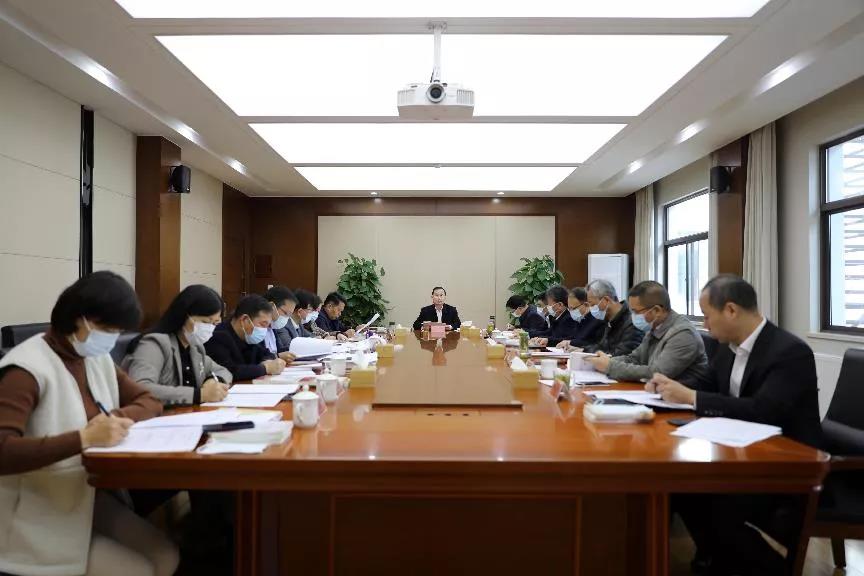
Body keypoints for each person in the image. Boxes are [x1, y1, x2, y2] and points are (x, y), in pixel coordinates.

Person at [0, 271, 178, 576]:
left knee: (166, 556)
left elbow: (149, 400)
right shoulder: (25, 370)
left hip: (85, 496)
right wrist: (84, 438)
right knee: (138, 570)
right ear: (79, 319)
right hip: (34, 511)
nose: (112, 338)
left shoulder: (93, 357)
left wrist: (111, 421)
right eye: (108, 329)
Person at [648, 275, 822, 576]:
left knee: (710, 500)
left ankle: (765, 568)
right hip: (741, 453)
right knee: (677, 487)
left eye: (707, 316)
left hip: (785, 465)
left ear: (731, 310)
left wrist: (692, 397)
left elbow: (764, 410)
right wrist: (669, 386)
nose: (705, 324)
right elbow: (706, 385)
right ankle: (715, 557)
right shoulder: (726, 348)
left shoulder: (789, 352)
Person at [122, 284, 233, 406]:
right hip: (158, 415)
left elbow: (223, 371)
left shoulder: (195, 348)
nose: (209, 328)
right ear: (184, 316)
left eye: (214, 323)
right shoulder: (154, 344)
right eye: (205, 322)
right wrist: (200, 395)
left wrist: (212, 381)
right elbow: (141, 388)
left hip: (188, 414)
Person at [585, 281, 709, 386]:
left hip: (683, 401)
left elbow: (657, 373)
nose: (633, 316)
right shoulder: (655, 327)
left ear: (657, 310)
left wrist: (610, 366)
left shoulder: (683, 334)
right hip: (657, 393)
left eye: (636, 311)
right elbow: (635, 358)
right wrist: (604, 361)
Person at [205, 295, 286, 381]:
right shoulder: (218, 336)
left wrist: (268, 361)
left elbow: (266, 354)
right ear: (245, 320)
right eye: (263, 324)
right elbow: (229, 371)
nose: (264, 330)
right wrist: (265, 368)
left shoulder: (250, 337)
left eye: (267, 326)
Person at [581, 279, 645, 356]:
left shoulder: (632, 322)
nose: (591, 309)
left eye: (592, 305)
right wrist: (583, 350)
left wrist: (591, 352)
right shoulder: (609, 320)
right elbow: (602, 347)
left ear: (606, 300)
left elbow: (620, 355)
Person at [262, 286, 299, 362]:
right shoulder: (256, 328)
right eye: (285, 313)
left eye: (289, 315)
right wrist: (277, 356)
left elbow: (279, 350)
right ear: (271, 306)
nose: (286, 318)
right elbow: (255, 358)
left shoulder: (273, 327)